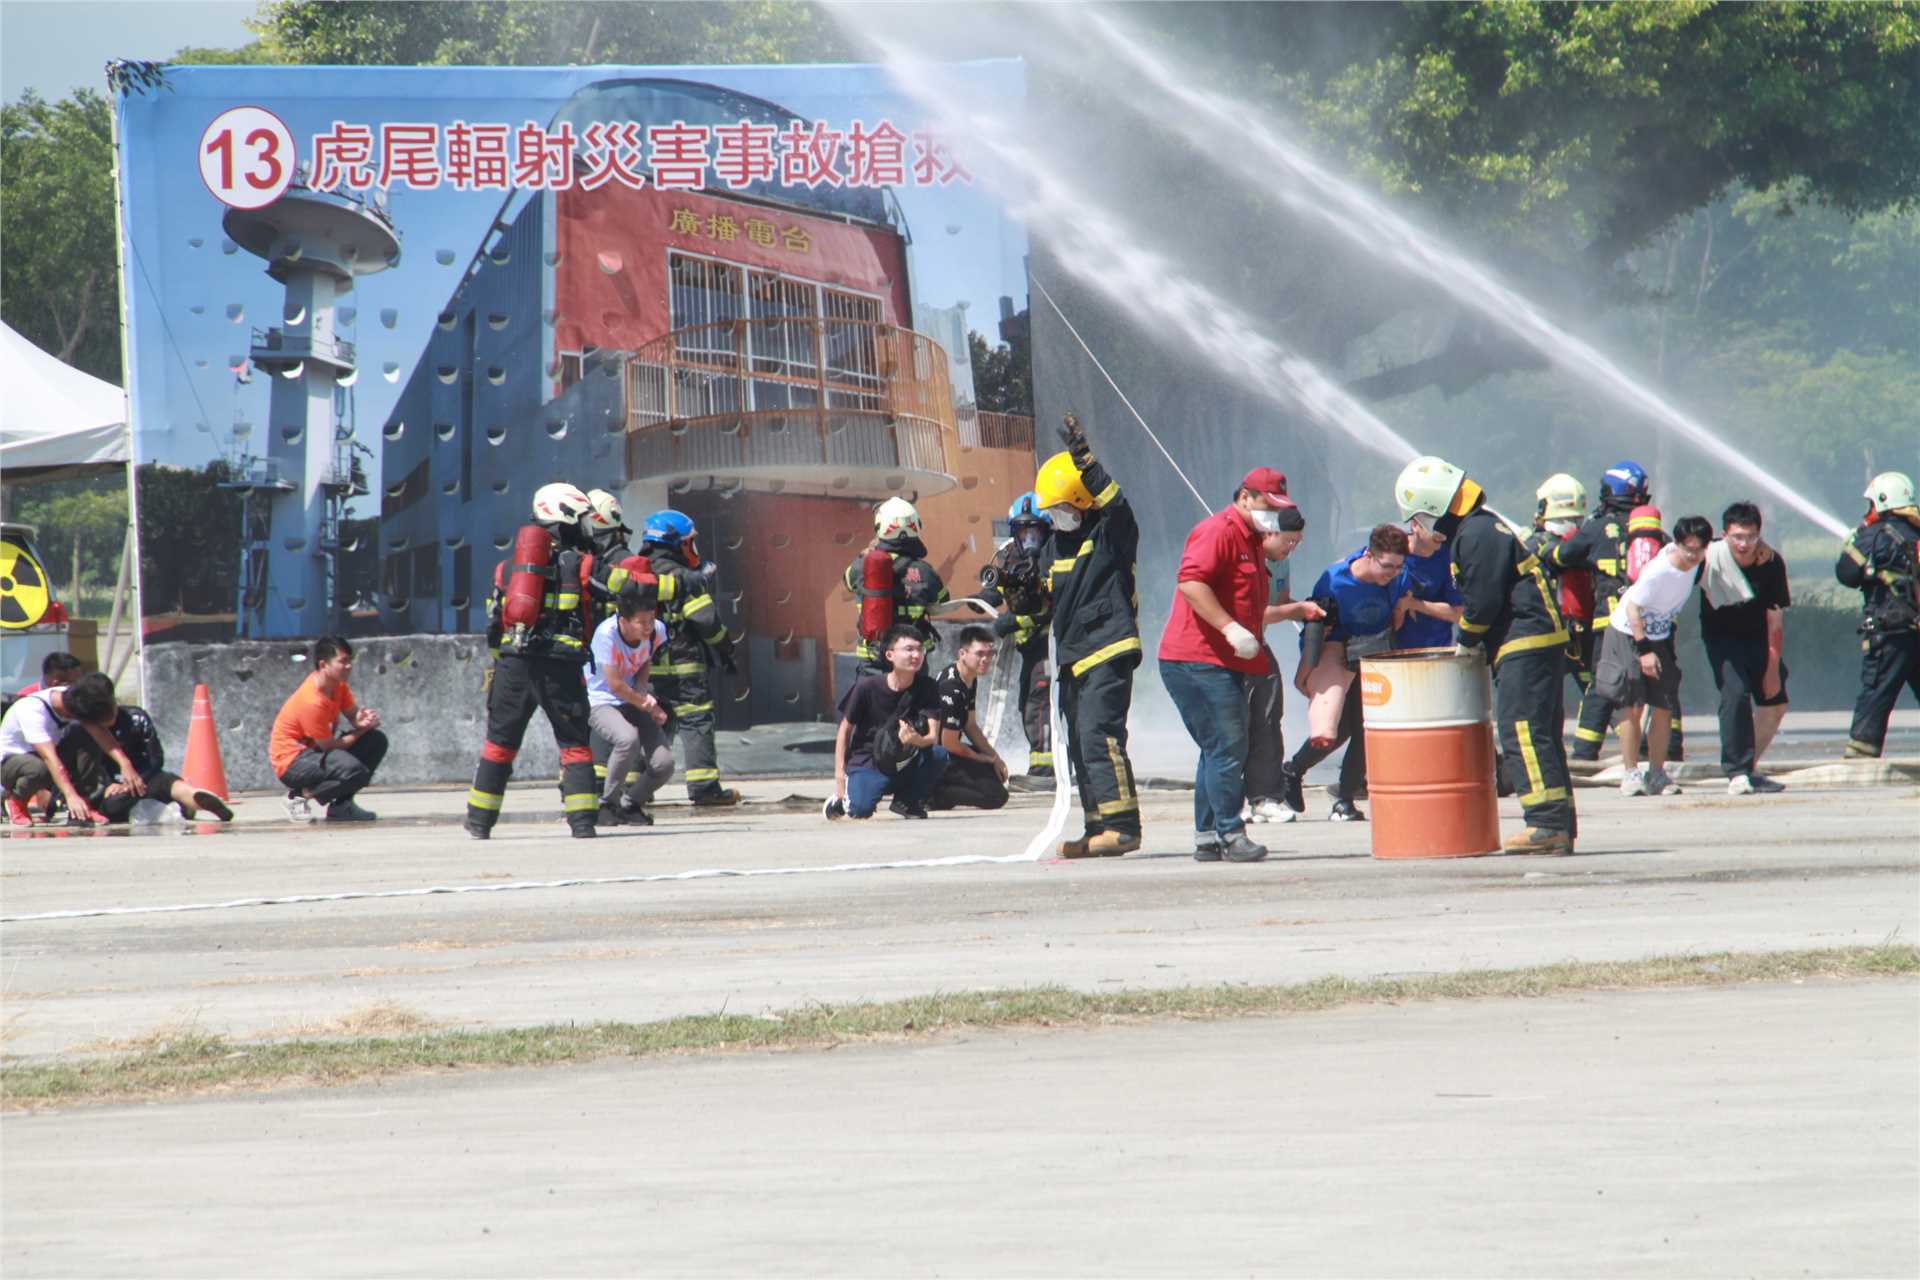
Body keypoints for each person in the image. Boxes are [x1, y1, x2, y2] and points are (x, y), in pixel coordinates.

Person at [1397, 455, 1576, 854]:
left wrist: (1466, 639)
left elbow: (1483, 601)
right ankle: (1558, 822)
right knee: (1542, 734)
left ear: (1437, 506)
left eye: (1422, 516)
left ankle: (1545, 825)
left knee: (1523, 732)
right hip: (1535, 641)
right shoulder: (1481, 527)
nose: (1421, 527)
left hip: (1522, 642)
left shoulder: (1475, 534)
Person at [1158, 467, 1306, 863]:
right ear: (1244, 498)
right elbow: (1191, 582)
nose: (1271, 515)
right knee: (1228, 745)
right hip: (1196, 660)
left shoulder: (1254, 541)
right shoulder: (1217, 531)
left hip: (1222, 661)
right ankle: (1229, 833)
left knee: (1216, 749)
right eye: (1266, 505)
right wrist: (1228, 628)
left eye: (1278, 509)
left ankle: (1207, 837)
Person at [466, 483, 613, 839]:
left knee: (499, 744)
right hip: (559, 667)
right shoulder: (579, 563)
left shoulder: (507, 568)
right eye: (578, 520)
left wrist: (504, 667)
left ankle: (479, 823)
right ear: (563, 517)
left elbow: (493, 626)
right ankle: (582, 825)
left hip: (513, 666)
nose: (583, 527)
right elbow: (619, 588)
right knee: (575, 745)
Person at [1032, 413, 1143, 858]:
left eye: (1062, 509)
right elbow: (1040, 603)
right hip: (1072, 656)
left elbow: (1117, 505)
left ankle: (1123, 826)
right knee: (1080, 743)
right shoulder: (1052, 548)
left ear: (1081, 500)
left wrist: (1086, 461)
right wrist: (1017, 589)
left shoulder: (1110, 535)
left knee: (1100, 734)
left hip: (1108, 646)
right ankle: (1097, 825)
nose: (1057, 518)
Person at [1545, 461, 1682, 762]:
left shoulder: (1596, 529)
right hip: (1654, 625)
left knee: (1604, 685)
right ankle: (1671, 752)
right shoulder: (1654, 534)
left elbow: (1560, 557)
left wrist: (1545, 548)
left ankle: (1584, 754)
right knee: (1664, 686)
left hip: (1610, 623)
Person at [1280, 524, 1411, 825]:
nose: (1391, 573)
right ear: (1369, 555)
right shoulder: (1335, 581)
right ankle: (1293, 770)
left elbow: (1399, 607)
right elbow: (1315, 630)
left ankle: (1344, 799)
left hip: (1373, 653)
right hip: (1335, 650)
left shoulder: (1398, 577)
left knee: (1366, 729)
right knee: (1333, 732)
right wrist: (1305, 672)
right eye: (1387, 566)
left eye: (1398, 567)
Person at [1591, 515, 1712, 798]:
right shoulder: (1659, 572)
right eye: (1688, 549)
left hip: (1659, 634)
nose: (1693, 555)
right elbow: (1633, 609)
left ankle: (1657, 773)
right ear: (1678, 544)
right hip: (1628, 633)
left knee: (1664, 704)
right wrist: (1644, 651)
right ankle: (1631, 772)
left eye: (1699, 549)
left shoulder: (1698, 563)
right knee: (1631, 704)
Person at [640, 509, 741, 807]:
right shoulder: (684, 577)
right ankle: (704, 788)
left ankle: (635, 790)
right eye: (689, 542)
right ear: (677, 543)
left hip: (644, 669)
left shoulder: (636, 572)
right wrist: (726, 648)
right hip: (685, 667)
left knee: (649, 726)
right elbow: (706, 621)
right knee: (696, 722)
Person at [1701, 502, 1791, 794]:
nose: (1744, 544)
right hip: (1721, 639)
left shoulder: (1771, 563)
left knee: (1775, 702)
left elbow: (1775, 617)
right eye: (1737, 536)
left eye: (1750, 537)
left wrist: (1772, 667)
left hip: (1758, 637)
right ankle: (1736, 770)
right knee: (1736, 693)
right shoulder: (1709, 557)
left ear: (1759, 535)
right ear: (1724, 534)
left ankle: (1749, 766)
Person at [1243, 505, 1319, 825]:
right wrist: (1297, 610)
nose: (1292, 548)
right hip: (1231, 648)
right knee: (1236, 726)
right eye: (1289, 541)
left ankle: (1267, 797)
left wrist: (1308, 609)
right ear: (1269, 533)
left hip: (1259, 645)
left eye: (1298, 542)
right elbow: (1252, 613)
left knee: (1270, 719)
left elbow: (1281, 600)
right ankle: (1234, 800)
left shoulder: (1282, 560)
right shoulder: (1247, 561)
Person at [1835, 470, 1920, 758]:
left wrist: (1854, 539)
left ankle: (1862, 751)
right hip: (1917, 627)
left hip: (1890, 630)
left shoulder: (1873, 536)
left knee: (1877, 690)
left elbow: (1846, 574)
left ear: (1881, 502)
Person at [825, 624, 948, 820]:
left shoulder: (928, 687)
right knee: (860, 811)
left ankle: (907, 802)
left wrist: (916, 740)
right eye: (908, 649)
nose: (916, 655)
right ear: (890, 655)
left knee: (939, 755)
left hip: (903, 760)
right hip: (869, 761)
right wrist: (839, 776)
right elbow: (844, 730)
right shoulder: (866, 687)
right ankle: (841, 802)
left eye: (919, 649)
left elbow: (932, 737)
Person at [270, 635, 387, 823]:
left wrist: (364, 720)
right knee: (353, 769)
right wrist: (360, 731)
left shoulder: (338, 687)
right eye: (343, 661)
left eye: (350, 660)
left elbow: (353, 715)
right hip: (292, 762)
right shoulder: (312, 700)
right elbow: (330, 747)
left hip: (317, 753)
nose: (348, 666)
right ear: (323, 664)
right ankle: (298, 796)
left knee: (376, 741)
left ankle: (342, 806)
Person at [586, 579, 675, 826]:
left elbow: (645, 658)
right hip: (602, 700)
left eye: (650, 620)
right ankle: (608, 804)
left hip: (633, 698)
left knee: (664, 763)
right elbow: (614, 684)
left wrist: (642, 689)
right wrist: (648, 705)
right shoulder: (606, 635)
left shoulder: (657, 629)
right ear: (623, 621)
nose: (647, 628)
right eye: (640, 623)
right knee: (627, 739)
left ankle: (631, 803)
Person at [61, 699, 233, 824]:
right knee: (113, 805)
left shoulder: (136, 717)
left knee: (166, 781)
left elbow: (156, 758)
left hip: (146, 778)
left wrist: (139, 779)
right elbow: (91, 765)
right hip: (115, 789)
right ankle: (185, 805)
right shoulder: (84, 729)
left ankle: (194, 796)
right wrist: (109, 785)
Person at [982, 493, 1055, 778]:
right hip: (1029, 648)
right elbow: (998, 590)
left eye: (1035, 529)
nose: (1029, 536)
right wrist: (981, 596)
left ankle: (1045, 768)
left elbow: (1054, 607)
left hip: (1051, 644)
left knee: (1040, 702)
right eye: (1023, 529)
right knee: (1026, 702)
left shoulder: (1055, 556)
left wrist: (1013, 621)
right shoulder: (1008, 554)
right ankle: (1045, 760)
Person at [846, 497, 949, 679]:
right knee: (915, 707)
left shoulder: (861, 566)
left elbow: (847, 582)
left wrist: (869, 552)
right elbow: (942, 601)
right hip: (911, 663)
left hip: (872, 661)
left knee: (870, 706)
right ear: (916, 526)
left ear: (880, 528)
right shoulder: (925, 571)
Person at [1527, 474, 1596, 727]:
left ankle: (1576, 749)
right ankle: (1635, 743)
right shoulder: (1589, 541)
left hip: (1550, 632)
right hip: (1584, 628)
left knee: (1546, 695)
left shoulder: (1536, 544)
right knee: (1596, 688)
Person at [926, 624, 1010, 811]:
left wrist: (993, 757)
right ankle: (935, 795)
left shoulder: (969, 678)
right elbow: (949, 744)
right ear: (962, 653)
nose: (986, 659)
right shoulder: (952, 688)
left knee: (993, 772)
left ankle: (940, 788)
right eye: (979, 654)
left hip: (949, 751)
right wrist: (981, 758)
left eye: (989, 654)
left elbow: (970, 725)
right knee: (996, 797)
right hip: (939, 756)